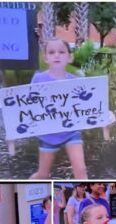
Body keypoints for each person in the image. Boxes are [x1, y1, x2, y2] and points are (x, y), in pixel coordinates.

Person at [30, 37, 87, 179]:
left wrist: (106, 115)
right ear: (45, 58)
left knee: (81, 170)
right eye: (51, 52)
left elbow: (89, 106)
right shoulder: (38, 79)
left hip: (71, 131)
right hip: (47, 133)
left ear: (70, 57)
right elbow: (27, 106)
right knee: (42, 174)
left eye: (61, 52)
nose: (56, 55)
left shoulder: (76, 81)